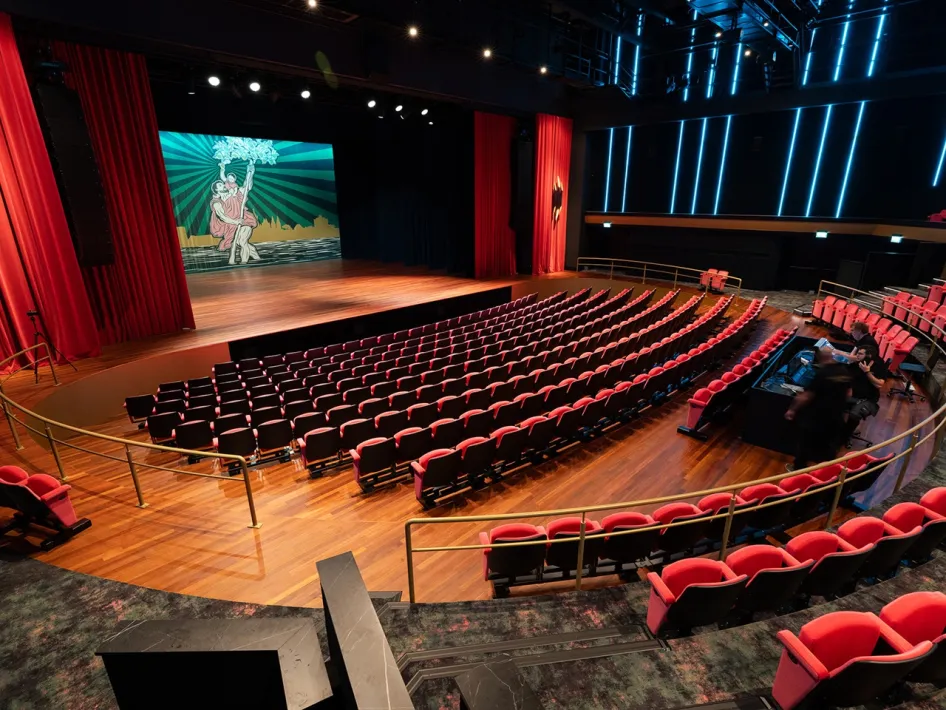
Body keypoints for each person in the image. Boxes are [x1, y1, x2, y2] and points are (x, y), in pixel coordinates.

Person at [785, 348, 852, 471]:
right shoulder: (843, 370)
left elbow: (807, 396)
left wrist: (792, 409)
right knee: (829, 446)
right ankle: (829, 472)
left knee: (805, 443)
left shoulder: (822, 373)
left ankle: (798, 468)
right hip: (836, 417)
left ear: (820, 358)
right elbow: (849, 393)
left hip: (818, 417)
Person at [843, 344, 886, 440]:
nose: (857, 355)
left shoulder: (878, 366)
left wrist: (867, 372)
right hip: (853, 396)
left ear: (869, 356)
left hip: (868, 399)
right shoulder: (855, 364)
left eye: (860, 354)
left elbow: (879, 384)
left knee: (854, 414)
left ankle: (845, 436)